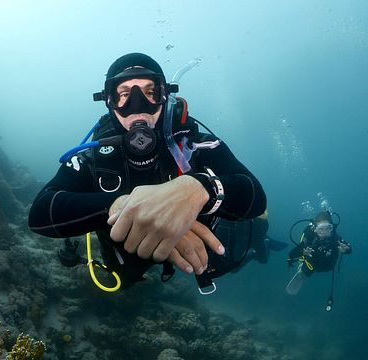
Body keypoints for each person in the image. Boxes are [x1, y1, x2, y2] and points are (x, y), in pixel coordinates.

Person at [29, 53, 266, 292]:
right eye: (123, 95)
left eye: (151, 92)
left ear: (165, 96)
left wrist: (199, 188)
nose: (137, 104)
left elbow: (255, 196)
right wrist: (122, 206)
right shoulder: (96, 157)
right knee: (121, 281)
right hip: (131, 254)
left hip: (197, 250)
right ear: (109, 101)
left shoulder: (196, 145)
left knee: (222, 260)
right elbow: (41, 212)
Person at [286, 211, 351, 296]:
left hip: (329, 265)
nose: (324, 233)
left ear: (332, 228)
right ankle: (301, 271)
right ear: (315, 229)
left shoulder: (335, 237)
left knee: (328, 266)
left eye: (328, 228)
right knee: (307, 270)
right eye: (321, 229)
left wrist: (346, 250)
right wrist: (303, 253)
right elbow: (292, 254)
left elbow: (349, 249)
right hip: (312, 264)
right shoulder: (310, 238)